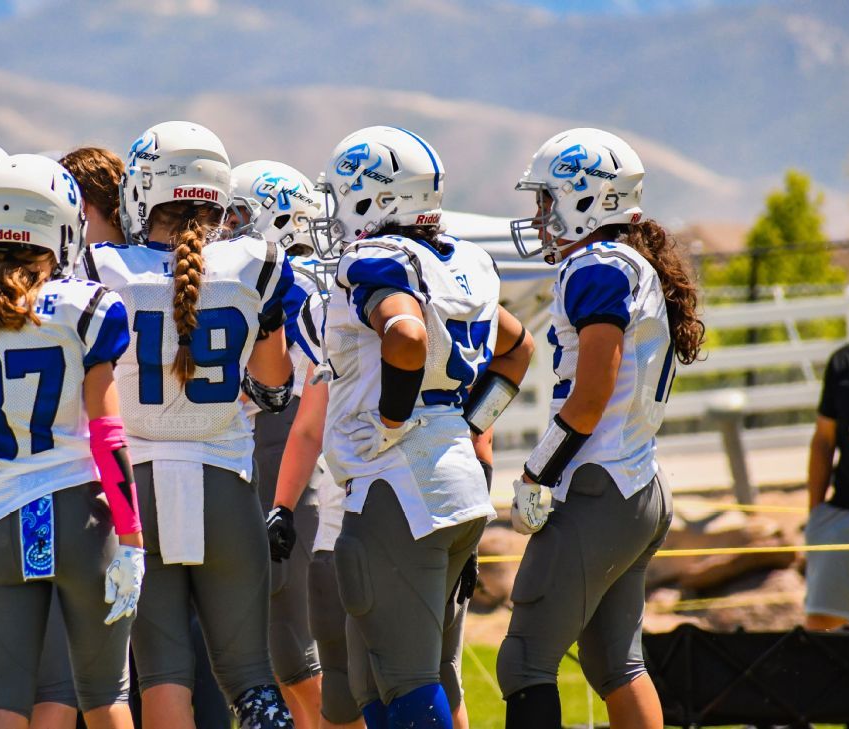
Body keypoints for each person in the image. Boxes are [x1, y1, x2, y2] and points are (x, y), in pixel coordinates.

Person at [269, 126, 528, 728]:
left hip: (399, 490)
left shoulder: (376, 260)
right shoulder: (460, 260)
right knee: (373, 681)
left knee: (405, 681)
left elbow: (405, 334)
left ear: (376, 197)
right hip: (450, 483)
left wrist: (393, 418)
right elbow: (519, 350)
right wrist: (465, 422)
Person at [0, 153, 143, 729]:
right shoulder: (83, 308)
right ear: (61, 228)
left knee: (6, 702)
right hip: (79, 519)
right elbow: (107, 435)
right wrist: (134, 538)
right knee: (104, 696)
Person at [82, 121, 297, 729]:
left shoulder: (102, 266)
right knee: (250, 678)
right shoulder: (258, 262)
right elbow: (275, 385)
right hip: (226, 482)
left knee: (162, 675)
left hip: (139, 487)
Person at [496, 128, 703, 729]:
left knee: (525, 662)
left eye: (546, 199)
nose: (538, 216)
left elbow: (591, 395)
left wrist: (539, 470)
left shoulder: (597, 268)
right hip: (636, 480)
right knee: (616, 663)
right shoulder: (626, 263)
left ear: (586, 198)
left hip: (598, 486)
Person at [228, 159, 326, 729]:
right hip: (292, 452)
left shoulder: (288, 282)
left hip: (284, 454)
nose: (225, 228)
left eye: (238, 215)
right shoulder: (313, 277)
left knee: (292, 649)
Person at [804, 282, 849, 631]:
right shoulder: (844, 363)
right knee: (821, 624)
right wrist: (815, 513)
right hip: (847, 511)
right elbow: (823, 441)